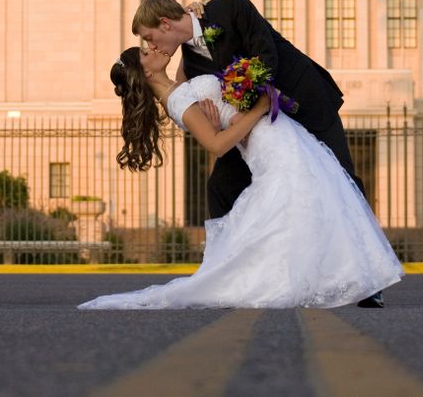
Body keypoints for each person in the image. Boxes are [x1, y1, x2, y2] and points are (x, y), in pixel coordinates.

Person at [77, 47, 402, 310]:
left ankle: (341, 276)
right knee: (307, 201)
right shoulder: (178, 101)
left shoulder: (177, 86)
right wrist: (259, 108)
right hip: (267, 144)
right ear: (146, 72)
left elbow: (192, 62)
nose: (152, 48)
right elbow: (218, 146)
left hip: (277, 136)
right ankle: (340, 277)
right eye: (146, 52)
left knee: (316, 199)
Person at [133, 0, 386, 308]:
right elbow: (188, 100)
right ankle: (226, 274)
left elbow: (266, 55)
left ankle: (369, 279)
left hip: (302, 100)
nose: (151, 45)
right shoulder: (191, 61)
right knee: (220, 187)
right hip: (259, 128)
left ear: (165, 23)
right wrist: (213, 118)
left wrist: (246, 104)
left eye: (149, 37)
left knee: (342, 175)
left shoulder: (229, 6)